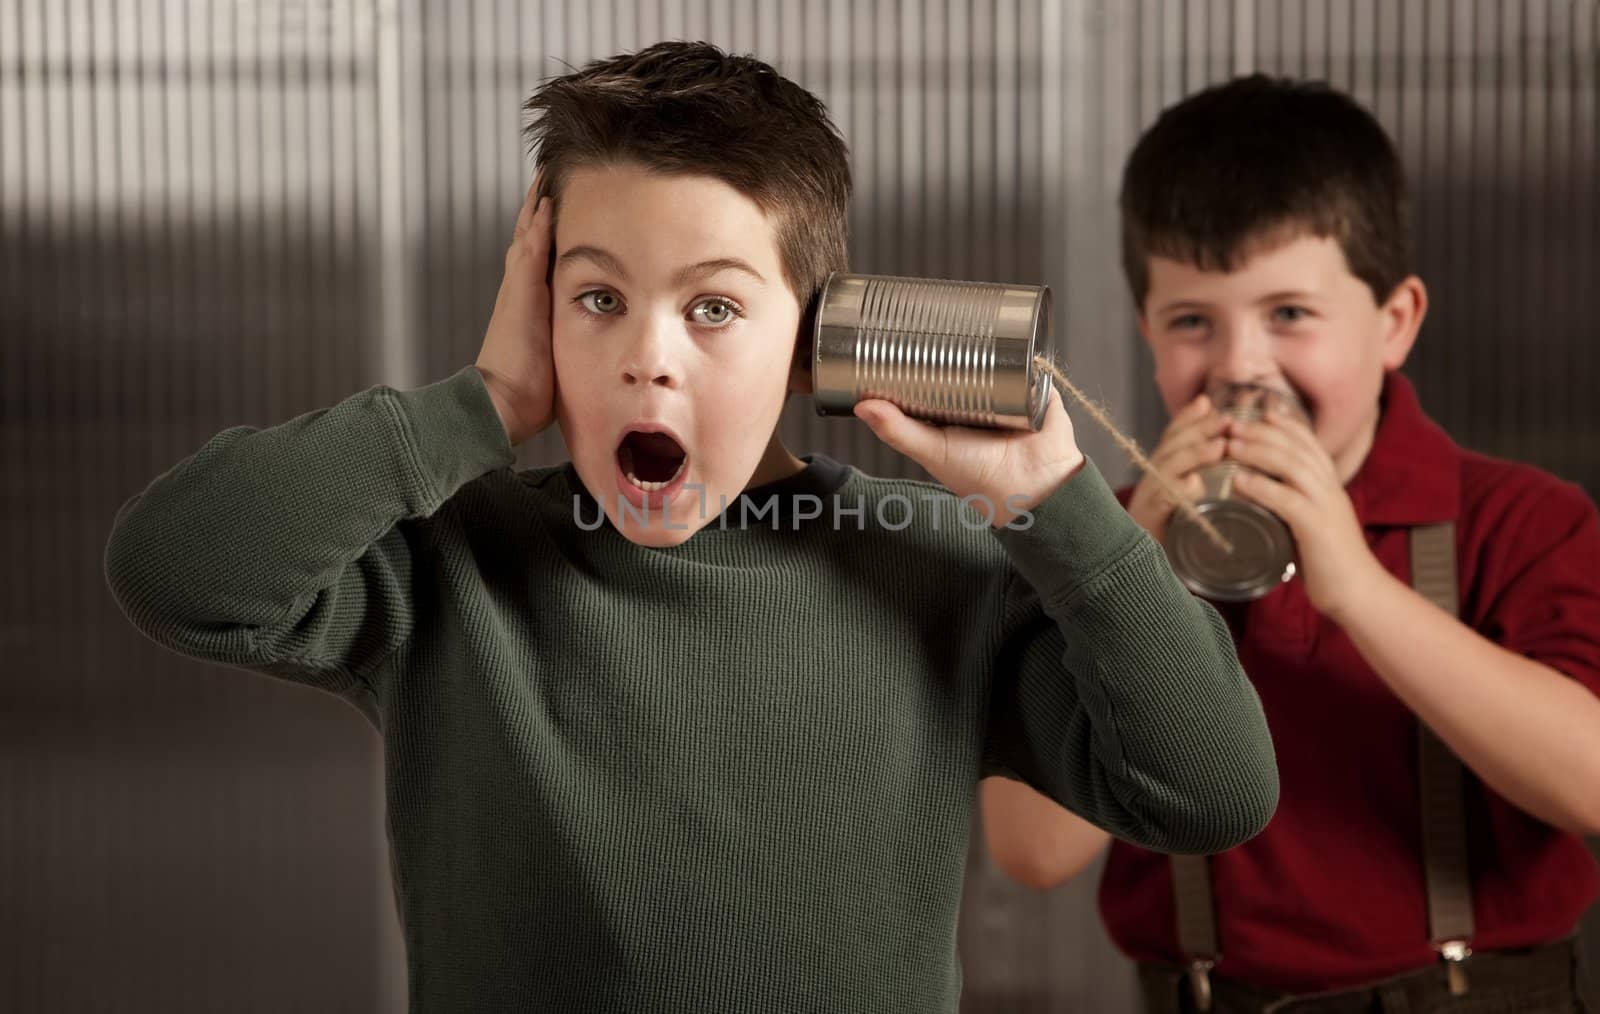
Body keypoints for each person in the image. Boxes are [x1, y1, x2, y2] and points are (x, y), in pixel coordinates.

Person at [105, 42, 1278, 1012]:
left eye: (713, 307)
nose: (645, 360)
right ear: (538, 310)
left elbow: (1210, 791)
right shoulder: (450, 565)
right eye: (597, 299)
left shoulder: (940, 565)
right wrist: (484, 407)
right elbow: (176, 569)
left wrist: (1054, 505)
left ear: (810, 337)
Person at [981, 74, 1600, 1012]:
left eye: (1290, 315)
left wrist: (1352, 583)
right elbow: (1030, 854)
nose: (1238, 368)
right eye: (1194, 323)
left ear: (1395, 323)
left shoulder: (1520, 518)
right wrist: (1122, 562)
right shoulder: (1090, 537)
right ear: (1150, 337)